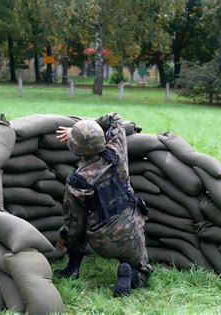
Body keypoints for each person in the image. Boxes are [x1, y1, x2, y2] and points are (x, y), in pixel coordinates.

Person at [54, 113, 152, 297]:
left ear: (75, 147)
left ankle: (72, 268)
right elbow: (115, 118)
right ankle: (131, 275)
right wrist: (91, 128)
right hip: (132, 229)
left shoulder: (76, 181)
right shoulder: (117, 152)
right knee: (144, 270)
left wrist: (64, 237)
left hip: (101, 240)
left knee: (79, 228)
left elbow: (74, 223)